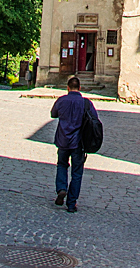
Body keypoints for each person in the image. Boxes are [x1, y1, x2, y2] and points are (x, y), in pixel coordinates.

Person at [51, 75, 98, 213]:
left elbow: (53, 114)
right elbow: (94, 120)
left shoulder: (61, 100)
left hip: (63, 140)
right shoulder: (85, 103)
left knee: (62, 165)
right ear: (80, 88)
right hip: (78, 142)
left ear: (67, 88)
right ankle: (71, 203)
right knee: (77, 172)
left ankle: (61, 189)